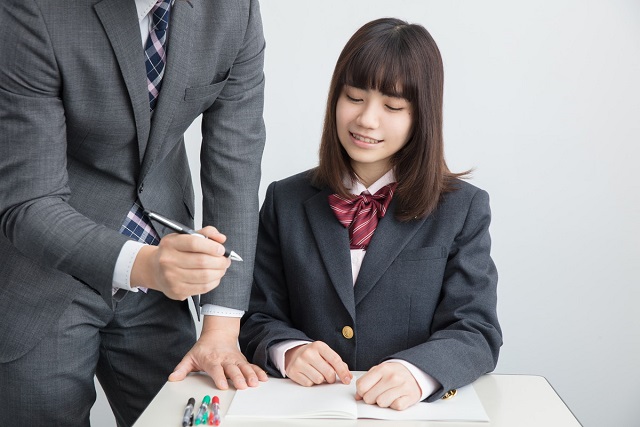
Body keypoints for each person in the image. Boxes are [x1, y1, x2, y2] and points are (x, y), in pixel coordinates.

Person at [0, 0, 267, 425]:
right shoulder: (33, 9)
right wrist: (146, 266)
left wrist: (221, 326)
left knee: (182, 415)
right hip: (42, 264)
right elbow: (29, 201)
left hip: (162, 258)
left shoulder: (235, 10)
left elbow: (235, 166)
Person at [240, 17, 502, 411]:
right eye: (354, 97)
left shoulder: (463, 207)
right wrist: (288, 350)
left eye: (393, 106)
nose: (366, 120)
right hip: (303, 410)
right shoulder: (285, 199)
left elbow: (477, 331)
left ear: (421, 116)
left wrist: (417, 373)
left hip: (409, 414)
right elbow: (255, 315)